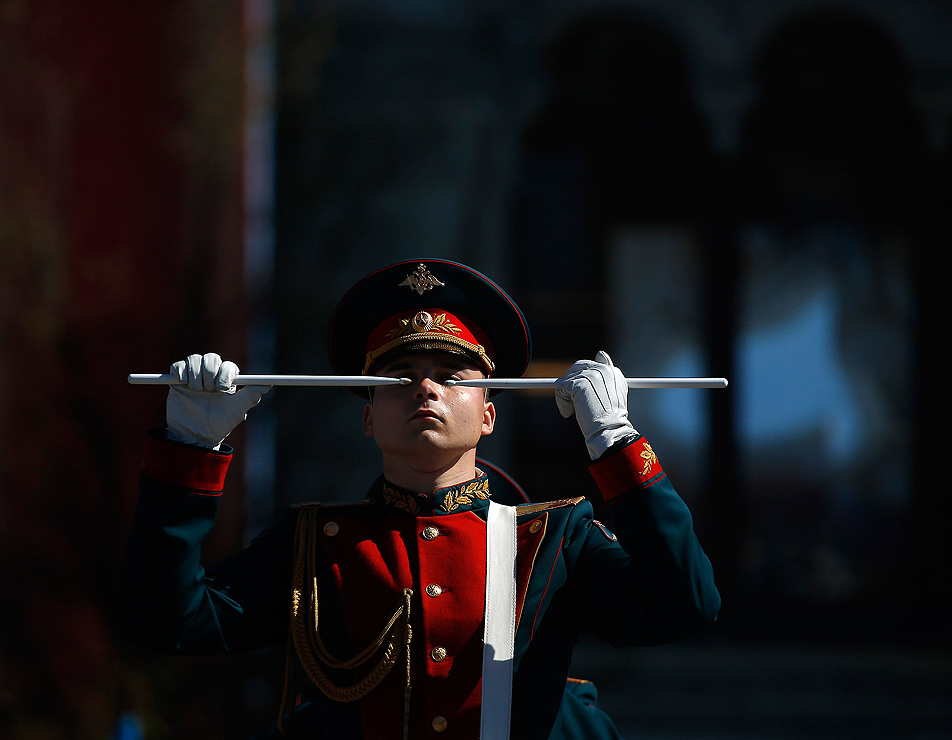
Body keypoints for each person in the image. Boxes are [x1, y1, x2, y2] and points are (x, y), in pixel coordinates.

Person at [122, 258, 720, 740]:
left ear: (487, 415)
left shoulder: (553, 541)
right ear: (368, 418)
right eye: (398, 376)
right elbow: (168, 619)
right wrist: (192, 446)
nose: (425, 387)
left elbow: (684, 604)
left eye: (452, 375)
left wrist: (616, 442)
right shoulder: (315, 545)